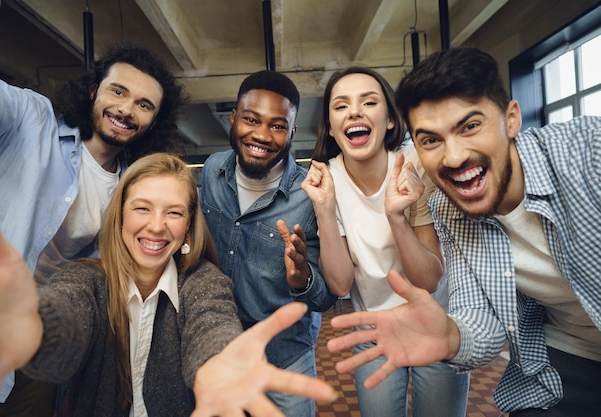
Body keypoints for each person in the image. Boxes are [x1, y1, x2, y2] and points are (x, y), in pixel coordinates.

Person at [326, 47, 601, 416]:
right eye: (431, 140)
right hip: (566, 356)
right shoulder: (449, 209)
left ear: (511, 119)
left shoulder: (587, 152)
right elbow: (480, 319)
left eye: (470, 126)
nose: (453, 157)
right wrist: (452, 336)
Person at [0, 152, 337, 417]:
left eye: (174, 212)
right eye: (142, 208)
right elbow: (67, 316)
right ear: (119, 218)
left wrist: (219, 366)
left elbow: (212, 327)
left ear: (188, 227)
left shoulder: (204, 283)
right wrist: (34, 326)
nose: (157, 226)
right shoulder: (86, 278)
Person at [0, 15, 187, 415]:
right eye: (118, 92)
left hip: (41, 331)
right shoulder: (30, 122)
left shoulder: (131, 188)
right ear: (94, 90)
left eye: (143, 105)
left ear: (154, 121)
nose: (126, 110)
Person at [301, 66, 469, 417]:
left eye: (369, 101)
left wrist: (397, 217)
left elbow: (428, 278)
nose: (355, 112)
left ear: (390, 120)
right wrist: (325, 210)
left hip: (434, 321)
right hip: (373, 328)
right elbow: (340, 283)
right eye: (341, 106)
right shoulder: (326, 179)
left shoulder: (414, 169)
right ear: (331, 127)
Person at [200, 70, 338, 417]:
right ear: (233, 119)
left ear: (292, 132)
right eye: (251, 119)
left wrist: (302, 278)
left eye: (277, 125)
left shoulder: (309, 196)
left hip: (283, 356)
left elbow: (327, 296)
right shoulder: (213, 170)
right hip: (217, 346)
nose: (261, 135)